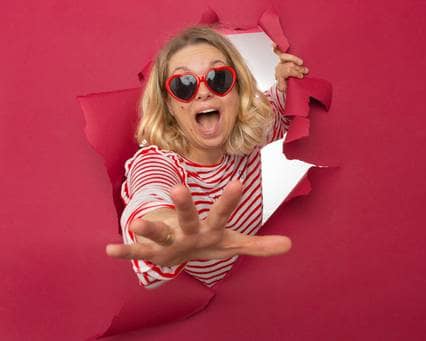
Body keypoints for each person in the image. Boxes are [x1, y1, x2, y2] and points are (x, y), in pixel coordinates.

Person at [105, 26, 309, 288]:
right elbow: (149, 196)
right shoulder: (156, 163)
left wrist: (287, 80)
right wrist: (168, 234)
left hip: (247, 288)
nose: (203, 92)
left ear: (237, 90)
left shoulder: (243, 134)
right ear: (169, 104)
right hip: (195, 307)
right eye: (183, 85)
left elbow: (281, 109)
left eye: (218, 78)